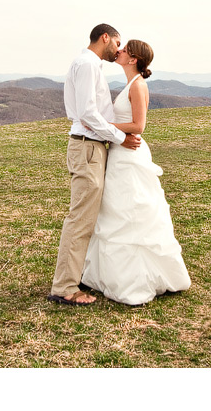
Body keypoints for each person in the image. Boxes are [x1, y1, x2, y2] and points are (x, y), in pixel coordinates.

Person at [81, 39, 191, 305]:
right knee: (115, 210)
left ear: (133, 59)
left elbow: (139, 125)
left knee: (131, 210)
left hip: (131, 156)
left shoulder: (138, 85)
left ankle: (137, 279)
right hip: (120, 154)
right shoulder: (130, 83)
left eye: (124, 50)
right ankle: (107, 274)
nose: (118, 52)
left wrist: (104, 125)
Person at [48, 24, 142, 306]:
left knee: (86, 216)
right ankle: (65, 287)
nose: (119, 48)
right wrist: (119, 137)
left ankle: (74, 277)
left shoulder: (87, 64)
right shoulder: (88, 65)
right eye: (117, 42)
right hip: (87, 146)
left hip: (90, 146)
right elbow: (88, 114)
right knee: (81, 218)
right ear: (105, 38)